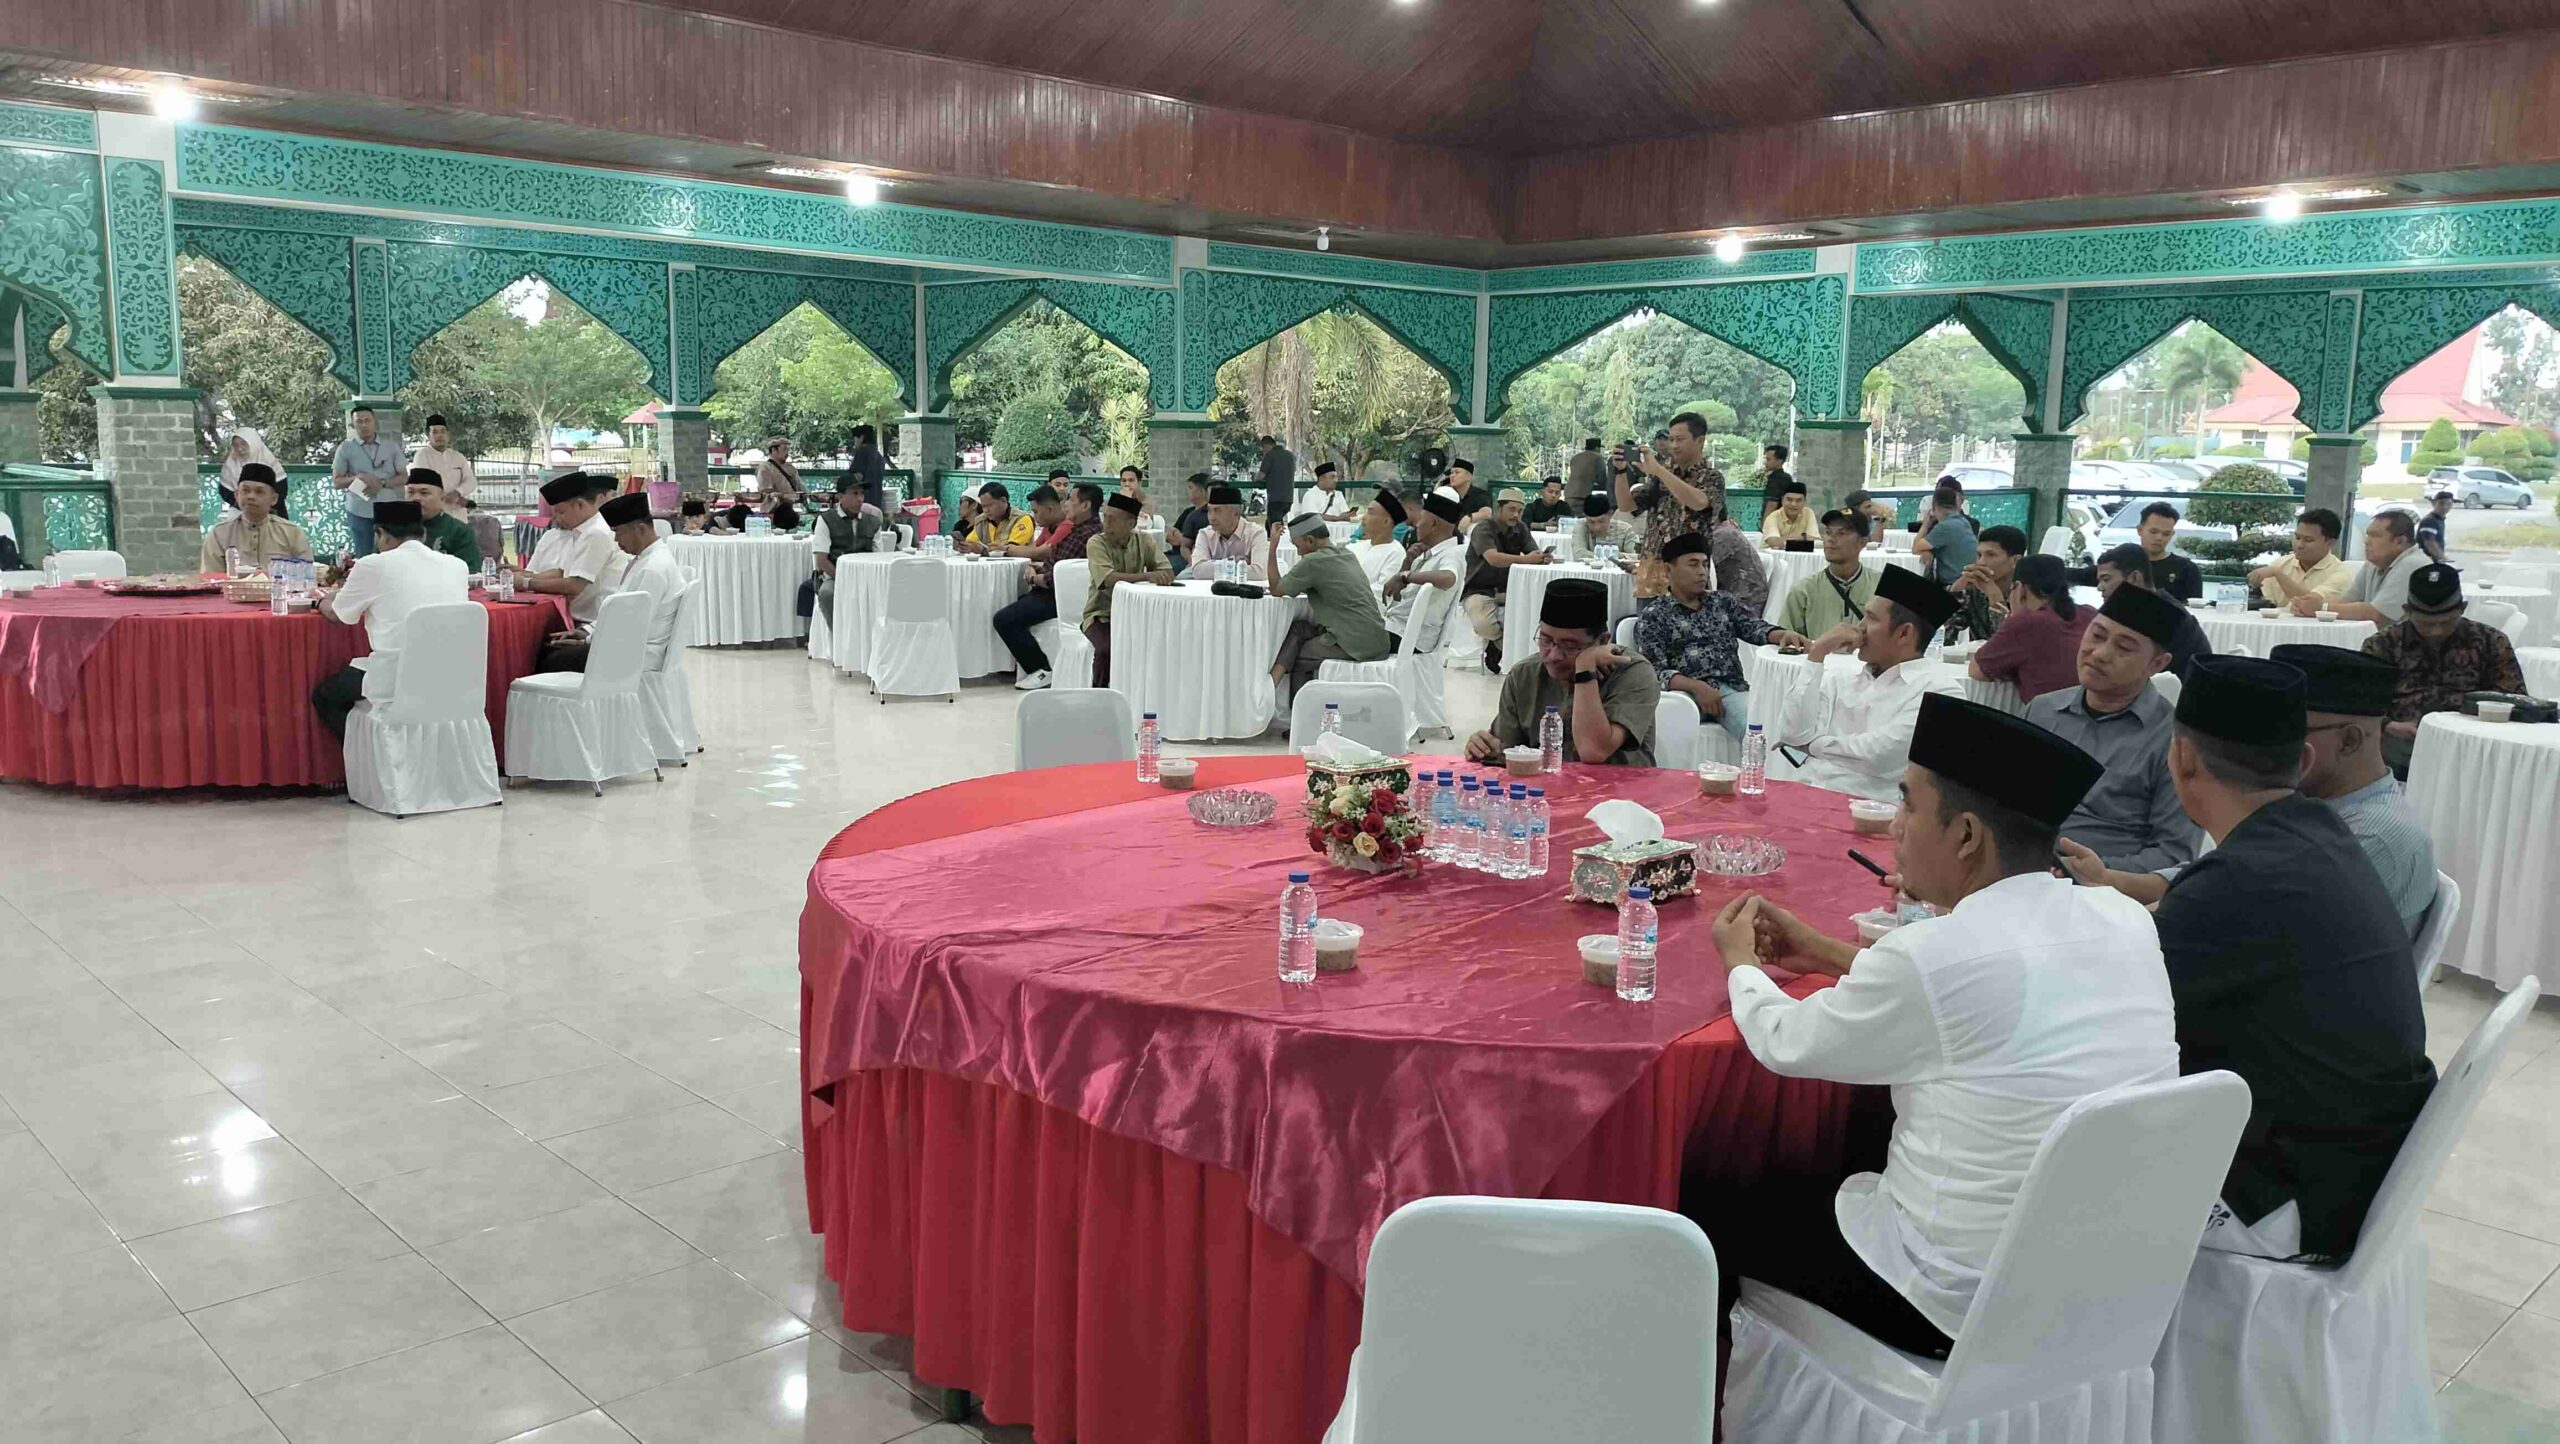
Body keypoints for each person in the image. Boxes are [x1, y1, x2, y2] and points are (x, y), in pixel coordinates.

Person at [1697, 694, 2172, 1356]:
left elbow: (1785, 1041)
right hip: (2103, 1283)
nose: (1895, 827)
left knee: (1707, 1207)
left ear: (1967, 836)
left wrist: (1740, 964)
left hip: (1952, 1298)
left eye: (1908, 805)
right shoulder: (2124, 918)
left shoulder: (1937, 955)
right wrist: (1830, 954)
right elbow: (1978, 997)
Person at [2140, 656, 2436, 1262]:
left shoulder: (2241, 882)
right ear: (2301, 763)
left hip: (2290, 1195)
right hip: (2347, 1165)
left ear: (2183, 759)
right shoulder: (2320, 834)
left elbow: (2111, 1012)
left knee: (2037, 1154)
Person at [2025, 584, 2201, 872]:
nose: (2100, 654)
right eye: (2097, 635)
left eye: (2124, 648)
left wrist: (2092, 872)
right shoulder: (2042, 710)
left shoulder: (2175, 742)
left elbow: (2174, 856)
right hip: (2021, 870)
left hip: (2103, 886)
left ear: (2157, 664)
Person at [2270, 645, 2439, 938]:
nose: (2270, 745)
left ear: (2349, 741)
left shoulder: (2371, 839)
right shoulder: (2315, 802)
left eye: (2289, 732)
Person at [1768, 567, 1964, 800]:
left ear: (1904, 633)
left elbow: (1879, 755)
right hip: (1806, 794)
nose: (1859, 627)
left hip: (1870, 808)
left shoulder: (1940, 691)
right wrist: (1817, 653)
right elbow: (1792, 732)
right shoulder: (1842, 675)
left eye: (1871, 618)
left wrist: (1811, 746)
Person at [309, 500, 470, 737]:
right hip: (452, 675)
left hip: (397, 677)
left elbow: (338, 615)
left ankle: (374, 754)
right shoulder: (457, 565)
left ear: (380, 534)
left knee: (325, 696)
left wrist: (318, 601)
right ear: (423, 534)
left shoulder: (373, 564)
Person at [1634, 532, 1811, 743]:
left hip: (1730, 689)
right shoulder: (1655, 615)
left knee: (1764, 731)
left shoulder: (1722, 602)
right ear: (1668, 569)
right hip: (1683, 696)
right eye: (1693, 564)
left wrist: (1782, 635)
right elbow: (1653, 671)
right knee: (1671, 728)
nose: (1702, 572)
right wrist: (1696, 687)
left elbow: (1752, 626)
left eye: (1705, 564)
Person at [1466, 578, 1660, 767]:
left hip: (1620, 786)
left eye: (1570, 646)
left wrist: (1585, 670)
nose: (1553, 655)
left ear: (1602, 641)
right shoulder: (1524, 674)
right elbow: (1508, 751)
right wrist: (1485, 747)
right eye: (1546, 640)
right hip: (1544, 786)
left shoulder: (1632, 672)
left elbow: (1593, 750)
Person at [2362, 562, 2526, 777]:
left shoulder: (2490, 642)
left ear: (2463, 608)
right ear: (2407, 611)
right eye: (2426, 624)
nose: (2436, 631)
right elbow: (2360, 704)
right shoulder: (2383, 644)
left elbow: (2516, 700)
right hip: (2401, 745)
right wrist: (2388, 725)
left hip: (2473, 745)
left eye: (2447, 622)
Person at [535, 493, 683, 672]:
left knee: (550, 658)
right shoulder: (645, 559)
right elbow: (620, 611)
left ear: (641, 529)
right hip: (625, 644)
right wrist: (587, 631)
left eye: (618, 532)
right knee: (549, 646)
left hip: (635, 655)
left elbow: (631, 625)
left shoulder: (652, 569)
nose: (616, 539)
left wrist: (587, 641)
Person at [996, 483, 1103, 691]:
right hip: (1061, 590)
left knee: (1004, 619)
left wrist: (1033, 578)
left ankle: (1040, 669)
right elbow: (1058, 564)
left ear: (1085, 505)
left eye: (1071, 500)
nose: (1066, 505)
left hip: (1059, 596)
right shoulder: (1085, 530)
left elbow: (1057, 577)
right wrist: (1041, 568)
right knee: (1018, 604)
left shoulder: (1082, 536)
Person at [1272, 513, 1393, 697]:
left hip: (1354, 643)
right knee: (1299, 629)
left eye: (1298, 546)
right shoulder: (1347, 554)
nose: (1298, 553)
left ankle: (1299, 710)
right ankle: (1272, 685)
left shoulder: (1313, 561)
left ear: (1310, 540)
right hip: (1377, 637)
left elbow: (1276, 589)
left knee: (1299, 657)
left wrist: (1272, 548)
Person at [1618, 412, 1727, 597]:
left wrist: (1659, 471)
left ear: (1700, 441)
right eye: (1671, 439)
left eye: (1680, 439)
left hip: (1689, 576)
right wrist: (1619, 472)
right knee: (1648, 617)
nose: (1674, 445)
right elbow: (1626, 505)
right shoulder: (1660, 476)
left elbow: (1699, 502)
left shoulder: (1711, 477)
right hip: (1651, 575)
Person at [1969, 553, 2089, 701]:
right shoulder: (2089, 613)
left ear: (2019, 588)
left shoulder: (2027, 622)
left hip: (2048, 713)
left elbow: (1976, 670)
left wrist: (2014, 618)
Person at [1459, 488, 1553, 673]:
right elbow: (1493, 558)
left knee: (1533, 616)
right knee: (1484, 626)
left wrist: (1542, 557)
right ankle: (1501, 647)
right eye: (1511, 509)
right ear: (1498, 508)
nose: (1516, 515)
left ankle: (1507, 653)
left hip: (1510, 589)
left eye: (1520, 511)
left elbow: (1532, 552)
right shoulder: (1483, 528)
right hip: (1479, 589)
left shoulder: (1521, 528)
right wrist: (1527, 560)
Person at [1083, 492, 1173, 687]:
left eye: (1112, 519)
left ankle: (1144, 691)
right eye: (1105, 517)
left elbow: (1166, 570)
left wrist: (1162, 575)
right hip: (1101, 615)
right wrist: (1147, 576)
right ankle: (1099, 694)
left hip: (1137, 614)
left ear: (1131, 524)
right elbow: (1108, 579)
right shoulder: (1096, 542)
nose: (1106, 524)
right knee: (1106, 649)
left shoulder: (1144, 541)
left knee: (1164, 643)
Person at [515, 473, 622, 625]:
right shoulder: (580, 531)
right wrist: (522, 575)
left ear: (580, 505)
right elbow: (562, 572)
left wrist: (526, 583)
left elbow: (574, 585)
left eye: (561, 512)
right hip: (577, 617)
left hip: (592, 622)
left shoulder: (596, 533)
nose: (558, 518)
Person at [2093, 543, 2213, 675]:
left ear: (2135, 578)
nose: (2100, 587)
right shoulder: (2154, 605)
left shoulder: (2160, 615)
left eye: (2106, 579)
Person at [1775, 508, 1881, 643]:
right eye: (1828, 532)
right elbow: (1788, 642)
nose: (1831, 539)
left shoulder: (1881, 588)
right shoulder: (1804, 590)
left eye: (1841, 533)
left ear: (1862, 542)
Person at [1379, 489, 1465, 653]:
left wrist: (1406, 576)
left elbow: (1448, 578)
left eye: (1421, 519)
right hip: (1395, 629)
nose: (1416, 525)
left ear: (1433, 523)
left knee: (1343, 635)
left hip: (1409, 638)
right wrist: (1407, 564)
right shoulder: (1423, 555)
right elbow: (1395, 596)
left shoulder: (1452, 554)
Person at [200, 462, 313, 574]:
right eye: (245, 490)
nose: (251, 496)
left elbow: (306, 575)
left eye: (259, 492)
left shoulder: (292, 533)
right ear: (237, 495)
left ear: (273, 499)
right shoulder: (219, 534)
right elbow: (212, 579)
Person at [2314, 510, 2420, 624]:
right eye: (2368, 535)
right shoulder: (2374, 562)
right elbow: (2347, 600)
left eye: (2375, 536)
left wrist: (2321, 608)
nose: (2366, 541)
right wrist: (2312, 603)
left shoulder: (2413, 564)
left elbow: (2377, 614)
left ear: (2400, 541)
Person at [330, 404, 403, 558]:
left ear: (374, 422)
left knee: (391, 555)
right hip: (359, 509)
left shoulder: (391, 446)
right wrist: (358, 477)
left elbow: (404, 477)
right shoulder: (346, 448)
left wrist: (382, 483)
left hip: (388, 508)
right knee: (364, 556)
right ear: (353, 425)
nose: (364, 425)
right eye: (359, 421)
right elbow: (337, 482)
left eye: (367, 420)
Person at [2249, 508, 2353, 609]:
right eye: (2297, 538)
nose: (2299, 545)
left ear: (2330, 543)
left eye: (2308, 540)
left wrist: (2278, 574)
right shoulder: (2280, 564)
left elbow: (2310, 604)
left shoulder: (2340, 574)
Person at [810, 484, 884, 624]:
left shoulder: (873, 522)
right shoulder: (826, 520)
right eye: (855, 494)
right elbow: (822, 561)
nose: (860, 499)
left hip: (866, 578)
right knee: (827, 594)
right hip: (835, 577)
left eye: (862, 493)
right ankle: (837, 634)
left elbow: (878, 557)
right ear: (840, 497)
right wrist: (845, 578)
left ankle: (873, 634)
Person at [1945, 524, 2026, 642]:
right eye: (1979, 555)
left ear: (2016, 561)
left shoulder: (2029, 595)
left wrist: (1994, 597)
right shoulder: (1973, 590)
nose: (1981, 562)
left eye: (1991, 555)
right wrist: (1955, 592)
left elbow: (2013, 643)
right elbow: (1945, 636)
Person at [1183, 485, 1272, 582]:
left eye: (1218, 511)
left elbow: (1260, 572)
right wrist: (1236, 564)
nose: (1211, 517)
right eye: (1209, 511)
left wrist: (1214, 566)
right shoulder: (1205, 534)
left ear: (1236, 513)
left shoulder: (1256, 534)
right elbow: (1198, 571)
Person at [404, 468, 482, 572]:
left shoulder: (459, 531)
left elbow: (470, 572)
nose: (416, 498)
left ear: (442, 499)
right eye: (410, 493)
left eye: (424, 493)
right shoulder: (393, 528)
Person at [2128, 501, 2204, 602]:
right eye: (2153, 532)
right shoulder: (2123, 564)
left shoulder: (2187, 569)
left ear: (2172, 534)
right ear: (2139, 530)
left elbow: (2195, 606)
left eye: (2166, 534)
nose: (2159, 538)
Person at [1910, 480, 1976, 587]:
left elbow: (1915, 548)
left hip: (1953, 585)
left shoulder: (1946, 527)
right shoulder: (1963, 522)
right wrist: (1928, 551)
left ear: (1933, 506)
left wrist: (1925, 524)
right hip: (1967, 582)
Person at [1346, 489, 1409, 597]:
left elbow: (1381, 593)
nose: (1363, 517)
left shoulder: (1396, 553)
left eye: (1370, 513)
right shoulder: (1356, 547)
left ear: (1386, 522)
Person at [1707, 520, 1769, 618]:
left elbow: (1704, 569)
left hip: (1745, 605)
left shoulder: (1724, 535)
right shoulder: (1722, 531)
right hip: (1731, 598)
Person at [216, 426, 281, 511]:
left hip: (272, 511)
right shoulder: (230, 465)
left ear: (253, 443)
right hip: (240, 511)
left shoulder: (270, 462)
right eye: (235, 445)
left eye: (243, 444)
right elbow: (225, 492)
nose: (239, 449)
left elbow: (280, 490)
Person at [411, 414, 472, 501]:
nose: (440, 435)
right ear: (428, 435)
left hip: (457, 506)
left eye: (443, 431)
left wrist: (458, 492)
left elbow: (470, 480)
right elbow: (423, 484)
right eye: (435, 432)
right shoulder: (422, 455)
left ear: (448, 434)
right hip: (433, 506)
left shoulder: (458, 456)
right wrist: (444, 498)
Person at [961, 483, 1034, 553]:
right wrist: (966, 546)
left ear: (1004, 500)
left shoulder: (1021, 519)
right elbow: (971, 542)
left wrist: (982, 550)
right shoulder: (981, 521)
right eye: (983, 506)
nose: (986, 510)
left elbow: (1012, 550)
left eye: (990, 505)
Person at [1165, 472, 1213, 570]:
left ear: (1202, 491)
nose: (1188, 491)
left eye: (1190, 487)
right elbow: (1171, 534)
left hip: (1190, 557)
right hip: (1176, 552)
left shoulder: (1209, 515)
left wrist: (1182, 539)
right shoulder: (1188, 512)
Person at [1255, 434, 1297, 535]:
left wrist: (1255, 478)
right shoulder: (1290, 455)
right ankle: (1275, 538)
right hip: (1288, 497)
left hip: (1275, 497)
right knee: (1273, 523)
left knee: (1274, 526)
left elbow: (1260, 476)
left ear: (1265, 445)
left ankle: (1275, 542)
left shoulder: (1270, 455)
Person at [841, 423, 887, 511]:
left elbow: (856, 476)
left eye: (855, 439)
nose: (855, 443)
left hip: (862, 500)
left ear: (861, 437)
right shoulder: (878, 454)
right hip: (877, 500)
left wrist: (842, 480)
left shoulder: (862, 452)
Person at [1758, 480, 1817, 549]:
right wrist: (1804, 537)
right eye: (1789, 500)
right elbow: (1774, 543)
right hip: (1771, 555)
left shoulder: (1808, 513)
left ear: (1804, 502)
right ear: (1782, 500)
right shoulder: (1773, 517)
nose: (1793, 504)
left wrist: (1785, 539)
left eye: (1798, 500)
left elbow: (1817, 541)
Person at [755, 437, 803, 505]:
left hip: (790, 506)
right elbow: (766, 492)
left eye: (788, 450)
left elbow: (800, 487)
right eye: (784, 450)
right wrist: (782, 496)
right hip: (774, 508)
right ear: (774, 450)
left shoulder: (790, 468)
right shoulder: (765, 468)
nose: (787, 453)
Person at [1754, 442, 1795, 522]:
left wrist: (1765, 523)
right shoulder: (1787, 478)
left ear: (1779, 461)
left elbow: (1772, 503)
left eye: (1769, 459)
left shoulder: (1775, 479)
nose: (1765, 462)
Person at [1565, 437, 1607, 504]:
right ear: (1596, 448)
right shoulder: (1598, 457)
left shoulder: (1575, 457)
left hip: (1569, 493)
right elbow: (1602, 478)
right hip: (1582, 494)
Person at [2416, 490, 2454, 561]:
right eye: (2441, 503)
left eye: (2449, 504)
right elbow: (2430, 543)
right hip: (2427, 561)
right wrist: (2443, 559)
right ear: (2434, 503)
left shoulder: (2439, 519)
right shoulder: (2429, 521)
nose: (2445, 507)